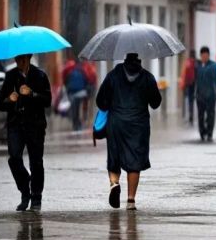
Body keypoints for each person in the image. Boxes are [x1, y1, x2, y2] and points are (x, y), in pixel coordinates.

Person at [96, 53, 162, 210]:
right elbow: (155, 103)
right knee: (134, 162)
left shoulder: (113, 75)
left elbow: (100, 101)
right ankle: (131, 200)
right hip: (138, 125)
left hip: (116, 123)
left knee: (115, 157)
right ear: (139, 61)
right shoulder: (147, 77)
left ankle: (114, 183)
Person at [0, 54, 52, 212]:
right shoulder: (10, 76)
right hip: (16, 124)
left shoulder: (40, 75)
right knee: (14, 158)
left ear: (29, 58)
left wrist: (32, 94)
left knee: (36, 162)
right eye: (17, 59)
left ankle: (36, 197)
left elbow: (48, 100)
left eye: (23, 59)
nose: (20, 62)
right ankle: (25, 190)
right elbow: (0, 103)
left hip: (35, 124)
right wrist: (9, 100)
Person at [194, 46, 216, 142]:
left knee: (210, 115)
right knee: (200, 116)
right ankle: (202, 133)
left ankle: (209, 133)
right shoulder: (197, 67)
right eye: (202, 55)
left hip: (211, 96)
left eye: (206, 55)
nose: (204, 57)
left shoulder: (214, 66)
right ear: (201, 56)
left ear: (208, 55)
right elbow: (195, 81)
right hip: (200, 96)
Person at [63, 59, 89, 131]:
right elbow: (86, 81)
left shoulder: (70, 71)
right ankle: (80, 123)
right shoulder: (82, 70)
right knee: (80, 109)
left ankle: (75, 124)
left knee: (74, 110)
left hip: (72, 94)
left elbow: (66, 82)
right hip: (81, 93)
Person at [180, 50, 196, 125]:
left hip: (188, 84)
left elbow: (185, 74)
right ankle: (191, 115)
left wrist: (184, 83)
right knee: (192, 101)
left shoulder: (188, 62)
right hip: (195, 84)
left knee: (189, 101)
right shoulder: (196, 62)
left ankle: (190, 115)